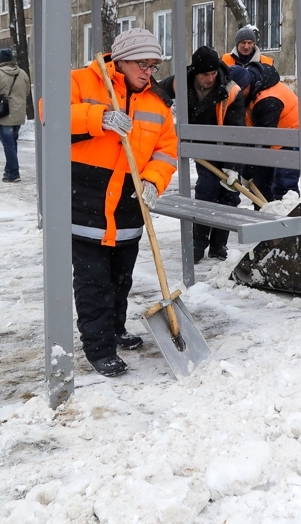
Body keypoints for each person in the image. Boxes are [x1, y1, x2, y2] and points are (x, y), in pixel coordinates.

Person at [70, 28, 178, 378]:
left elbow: (166, 150)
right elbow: (47, 114)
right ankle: (98, 348)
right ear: (121, 60)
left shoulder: (156, 104)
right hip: (86, 204)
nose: (148, 72)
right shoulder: (82, 82)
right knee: (94, 282)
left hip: (129, 210)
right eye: (142, 64)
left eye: (153, 65)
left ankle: (115, 329)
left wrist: (153, 180)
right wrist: (96, 118)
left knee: (120, 278)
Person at [161, 45, 246, 261]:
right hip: (201, 150)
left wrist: (233, 166)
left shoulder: (231, 91)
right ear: (196, 72)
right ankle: (197, 247)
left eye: (213, 73)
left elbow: (236, 131)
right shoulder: (181, 82)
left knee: (229, 196)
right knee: (206, 191)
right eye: (205, 74)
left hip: (226, 148)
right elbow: (156, 91)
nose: (210, 78)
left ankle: (219, 246)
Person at [231, 63, 300, 203]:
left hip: (290, 141)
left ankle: (287, 220)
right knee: (261, 187)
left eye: (238, 92)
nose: (235, 96)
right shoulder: (251, 92)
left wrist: (247, 171)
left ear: (247, 85)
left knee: (283, 188)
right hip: (274, 141)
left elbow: (262, 141)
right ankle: (263, 219)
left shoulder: (267, 100)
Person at [0, 48, 31, 182]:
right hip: (18, 114)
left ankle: (13, 173)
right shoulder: (22, 73)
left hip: (4, 114)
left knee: (9, 145)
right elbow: (26, 92)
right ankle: (9, 170)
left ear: (0, 60)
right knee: (12, 143)